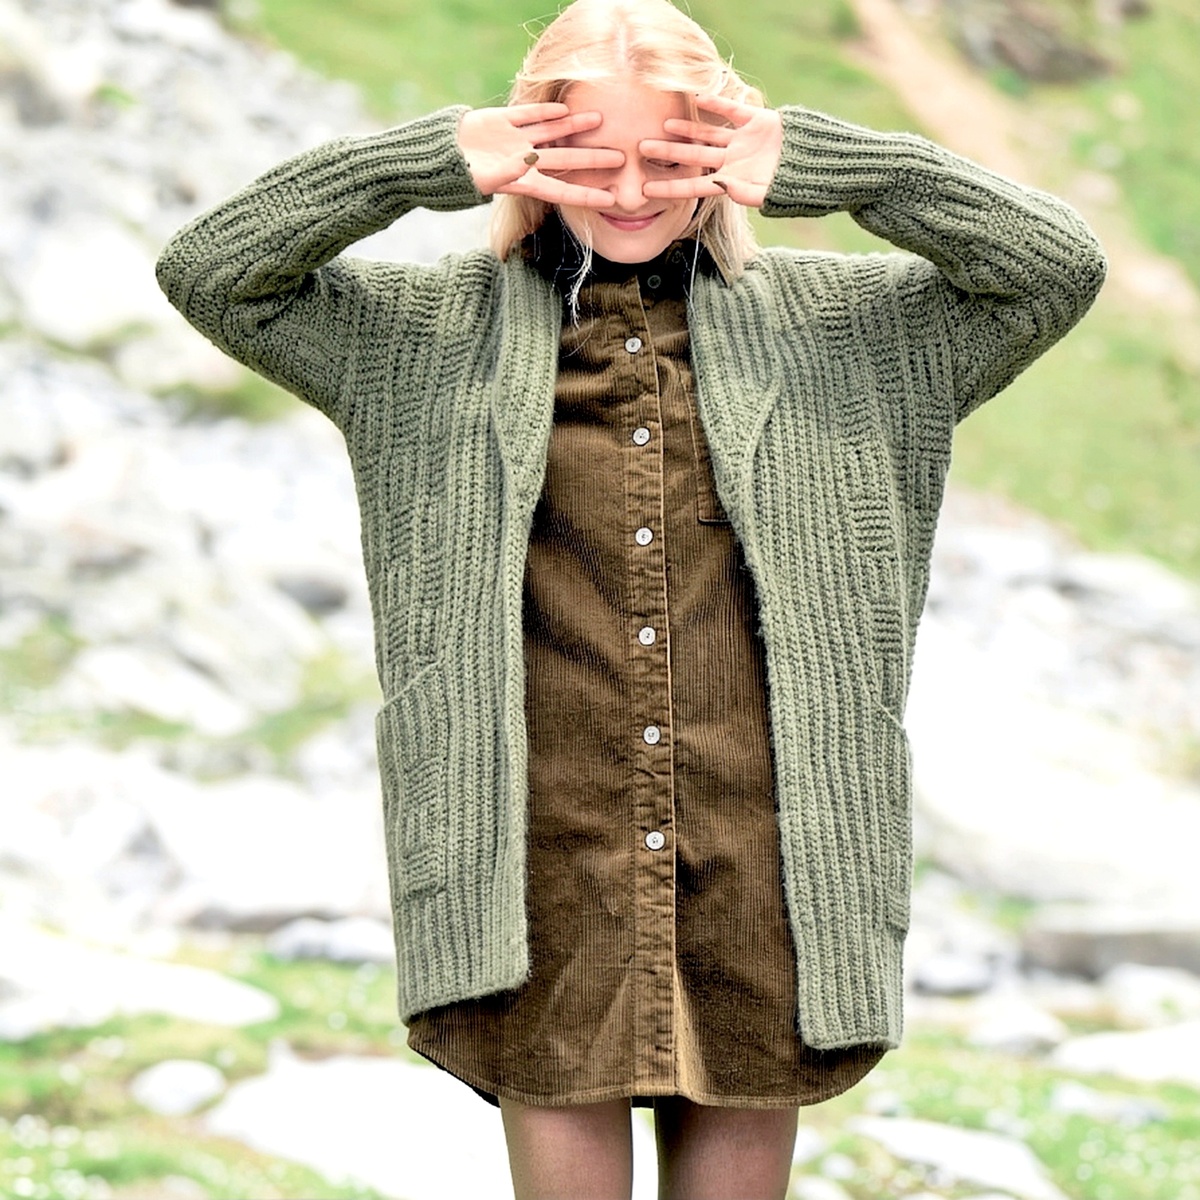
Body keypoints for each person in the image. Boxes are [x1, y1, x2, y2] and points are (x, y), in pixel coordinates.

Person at [156, 1, 1106, 1196]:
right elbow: (212, 272)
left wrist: (830, 164)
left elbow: (1055, 267)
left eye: (667, 154)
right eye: (592, 156)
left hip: (769, 867)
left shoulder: (859, 335)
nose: (631, 191)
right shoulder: (414, 339)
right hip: (532, 864)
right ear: (529, 149)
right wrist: (425, 161)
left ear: (724, 145)